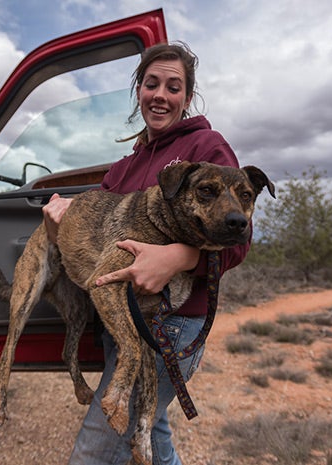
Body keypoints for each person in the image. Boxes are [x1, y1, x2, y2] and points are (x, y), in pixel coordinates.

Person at [43, 42, 250, 465]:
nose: (161, 95)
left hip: (170, 326)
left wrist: (179, 258)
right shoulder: (123, 167)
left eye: (173, 87)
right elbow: (95, 228)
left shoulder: (206, 147)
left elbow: (239, 241)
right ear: (139, 90)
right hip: (124, 320)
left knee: (95, 453)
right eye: (151, 83)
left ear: (187, 98)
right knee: (149, 437)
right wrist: (58, 224)